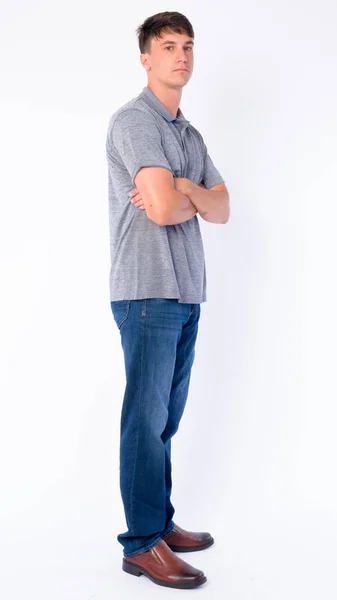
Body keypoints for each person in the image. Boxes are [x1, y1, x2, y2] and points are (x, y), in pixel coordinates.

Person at [105, 11, 230, 590]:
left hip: (186, 290)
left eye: (188, 47)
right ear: (146, 59)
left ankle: (160, 522)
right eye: (168, 47)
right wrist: (183, 196)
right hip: (147, 290)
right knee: (145, 421)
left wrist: (185, 188)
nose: (181, 56)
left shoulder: (189, 134)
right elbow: (158, 210)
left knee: (165, 421)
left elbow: (223, 207)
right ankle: (140, 545)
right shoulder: (136, 122)